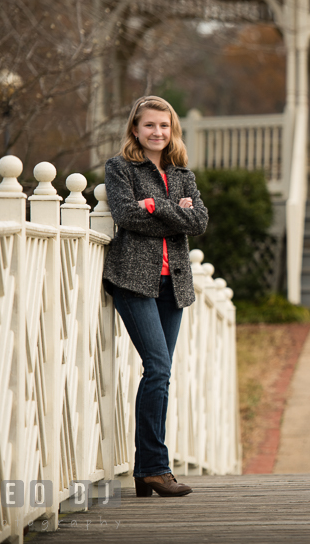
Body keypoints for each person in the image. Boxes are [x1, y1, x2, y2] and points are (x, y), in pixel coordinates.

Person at [103, 96, 208, 498]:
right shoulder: (120, 167)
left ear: (172, 130)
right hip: (133, 280)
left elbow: (198, 221)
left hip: (173, 285)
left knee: (159, 372)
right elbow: (127, 216)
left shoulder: (183, 175)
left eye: (164, 126)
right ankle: (155, 468)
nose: (157, 133)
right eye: (149, 126)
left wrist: (155, 207)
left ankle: (148, 470)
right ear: (135, 129)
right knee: (159, 368)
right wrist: (171, 212)